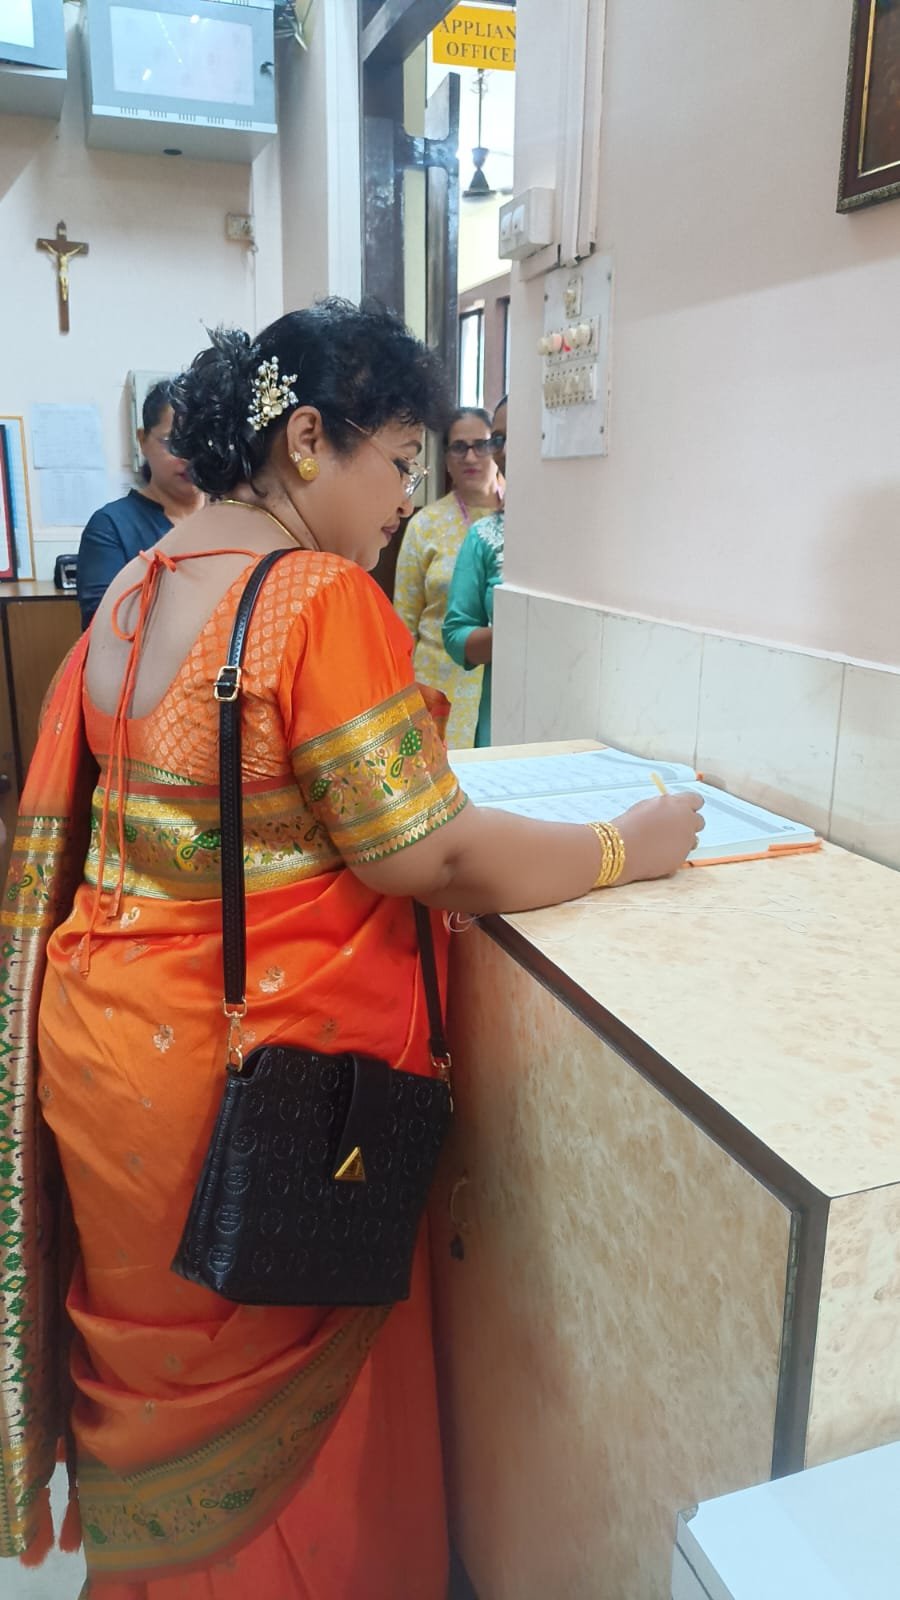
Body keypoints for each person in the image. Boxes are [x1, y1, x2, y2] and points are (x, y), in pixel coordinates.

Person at [0, 299, 703, 1598]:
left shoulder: (138, 585)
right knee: (295, 1437)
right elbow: (430, 856)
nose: (404, 501)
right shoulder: (312, 598)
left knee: (163, 1403)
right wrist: (628, 845)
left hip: (107, 1055)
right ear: (309, 438)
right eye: (398, 462)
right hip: (246, 1082)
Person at [393, 405, 504, 747]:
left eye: (481, 444)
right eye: (458, 447)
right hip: (439, 687)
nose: (470, 456)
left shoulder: (523, 519)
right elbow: (403, 622)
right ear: (445, 458)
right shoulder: (424, 525)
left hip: (501, 686)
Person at [76, 379, 204, 628]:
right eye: (174, 443)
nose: (189, 458)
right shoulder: (110, 526)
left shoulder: (231, 515)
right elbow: (103, 626)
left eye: (200, 443)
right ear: (142, 440)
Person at [443, 396, 507, 746]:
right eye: (499, 439)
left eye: (482, 444)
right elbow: (454, 632)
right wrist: (517, 635)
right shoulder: (483, 536)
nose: (504, 450)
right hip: (459, 691)